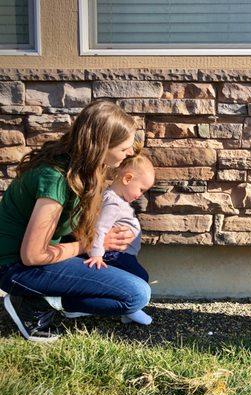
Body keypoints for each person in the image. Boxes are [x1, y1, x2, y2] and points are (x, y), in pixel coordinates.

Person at [0, 100, 151, 342]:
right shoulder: (56, 179)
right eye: (124, 148)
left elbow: (73, 228)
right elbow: (32, 256)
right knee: (136, 295)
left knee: (136, 276)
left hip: (40, 257)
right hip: (15, 267)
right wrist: (87, 245)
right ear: (102, 145)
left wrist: (105, 239)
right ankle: (33, 302)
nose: (131, 153)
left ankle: (51, 297)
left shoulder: (84, 169)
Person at [85, 150, 155, 325]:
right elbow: (100, 228)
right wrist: (97, 253)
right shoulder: (113, 202)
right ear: (127, 179)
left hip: (121, 254)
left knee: (136, 277)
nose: (140, 195)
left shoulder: (116, 199)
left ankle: (127, 311)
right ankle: (131, 309)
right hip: (113, 255)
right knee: (140, 277)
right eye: (141, 189)